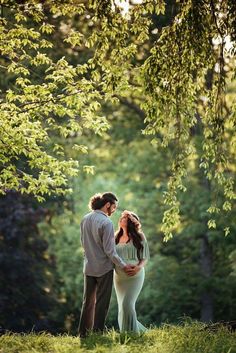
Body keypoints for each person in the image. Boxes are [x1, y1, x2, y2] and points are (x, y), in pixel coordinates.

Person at [78, 192, 133, 337]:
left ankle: (83, 334)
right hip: (104, 269)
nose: (114, 210)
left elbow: (83, 244)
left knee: (87, 302)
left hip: (89, 267)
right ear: (107, 205)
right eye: (114, 207)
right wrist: (123, 265)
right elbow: (110, 251)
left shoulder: (85, 218)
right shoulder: (106, 223)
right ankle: (97, 333)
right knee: (102, 303)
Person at [114, 210, 150, 333]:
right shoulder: (115, 236)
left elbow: (145, 257)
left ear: (130, 222)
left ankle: (132, 334)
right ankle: (129, 333)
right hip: (119, 278)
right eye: (122, 217)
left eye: (124, 218)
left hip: (135, 276)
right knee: (121, 308)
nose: (121, 219)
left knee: (127, 305)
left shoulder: (140, 236)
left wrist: (138, 268)